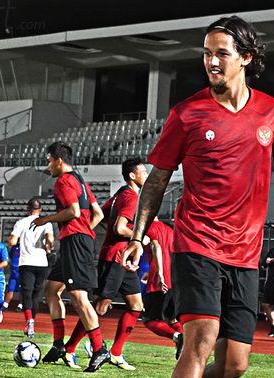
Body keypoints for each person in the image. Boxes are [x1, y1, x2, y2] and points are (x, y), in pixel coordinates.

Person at [122, 15, 274, 378]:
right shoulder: (187, 114)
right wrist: (138, 237)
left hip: (245, 253)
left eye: (222, 53)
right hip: (197, 244)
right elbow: (156, 181)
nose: (211, 62)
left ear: (245, 57)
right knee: (201, 340)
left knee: (235, 365)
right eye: (206, 53)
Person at [32, 141, 108, 372]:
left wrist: (46, 220)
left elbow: (73, 211)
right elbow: (99, 213)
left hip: (75, 242)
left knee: (78, 297)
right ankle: (58, 345)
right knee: (52, 289)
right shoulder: (80, 181)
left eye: (49, 161)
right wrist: (86, 231)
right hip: (76, 241)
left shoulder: (63, 181)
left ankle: (99, 349)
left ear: (58, 160)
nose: (49, 166)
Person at [87, 157, 147, 371]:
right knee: (100, 307)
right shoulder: (130, 197)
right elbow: (120, 228)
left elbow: (102, 215)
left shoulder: (120, 193)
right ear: (133, 175)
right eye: (144, 172)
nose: (146, 176)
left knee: (136, 306)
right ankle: (72, 348)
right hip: (115, 257)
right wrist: (139, 237)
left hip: (122, 258)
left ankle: (116, 353)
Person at [8, 197, 54, 338]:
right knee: (36, 294)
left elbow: (12, 241)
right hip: (41, 263)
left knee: (26, 293)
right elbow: (50, 241)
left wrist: (15, 244)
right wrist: (47, 248)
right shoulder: (47, 222)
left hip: (26, 262)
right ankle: (32, 320)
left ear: (28, 209)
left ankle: (29, 321)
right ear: (40, 210)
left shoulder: (21, 222)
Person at [141, 219, 184, 358]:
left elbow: (156, 246)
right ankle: (182, 338)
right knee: (172, 319)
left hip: (159, 281)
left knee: (149, 320)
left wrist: (159, 272)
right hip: (175, 279)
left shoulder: (146, 228)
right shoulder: (170, 229)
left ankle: (178, 337)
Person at [3, 241, 22, 312]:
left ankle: (20, 305)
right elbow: (10, 256)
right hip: (14, 272)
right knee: (10, 288)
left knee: (22, 289)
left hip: (22, 272)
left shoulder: (27, 247)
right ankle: (5, 305)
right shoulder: (14, 247)